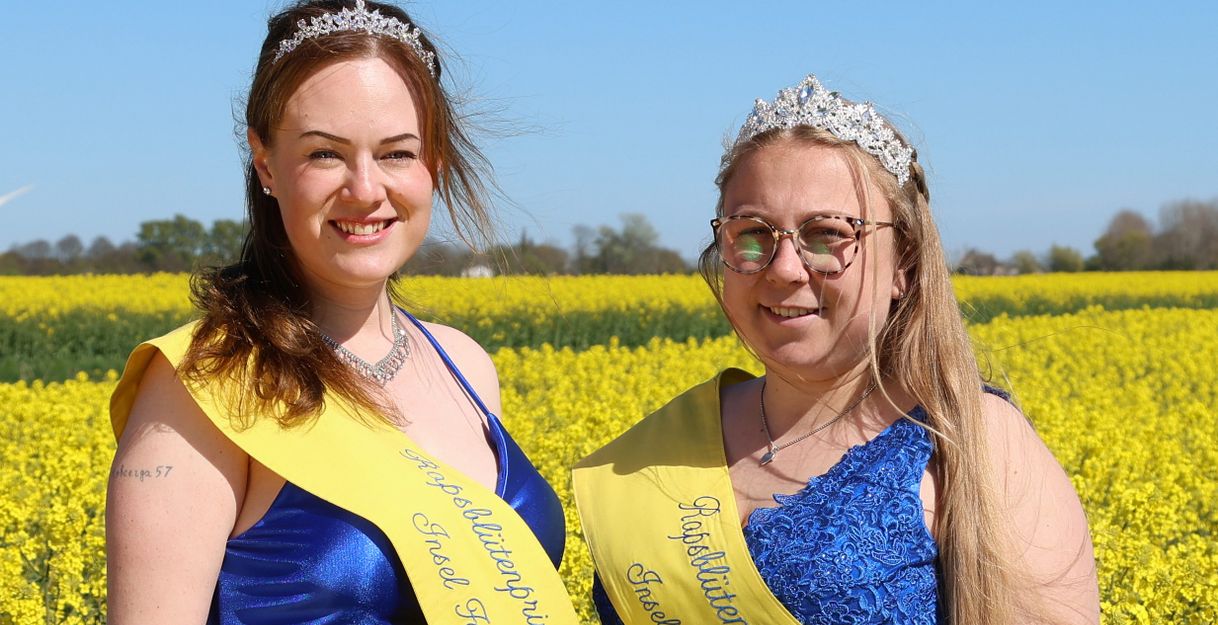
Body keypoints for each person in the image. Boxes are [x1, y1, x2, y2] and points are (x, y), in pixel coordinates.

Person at [106, 2, 579, 623]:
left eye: (397, 153)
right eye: (325, 154)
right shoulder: (202, 386)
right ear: (266, 162)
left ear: (433, 162)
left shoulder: (464, 364)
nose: (364, 189)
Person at [573, 75, 1099, 625]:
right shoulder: (666, 441)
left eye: (827, 235)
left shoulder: (970, 438)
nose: (782, 269)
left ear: (905, 265)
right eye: (751, 233)